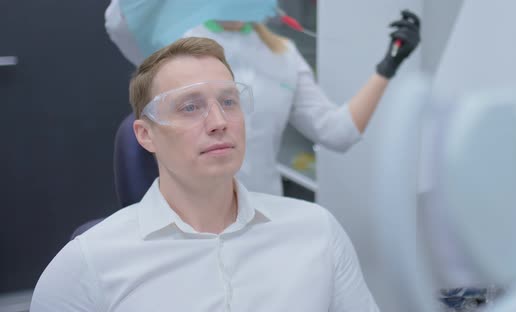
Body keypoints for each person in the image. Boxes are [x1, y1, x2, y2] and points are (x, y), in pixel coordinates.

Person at [30, 37, 380, 311]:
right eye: (190, 106)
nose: (219, 122)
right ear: (145, 135)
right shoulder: (87, 265)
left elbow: (336, 129)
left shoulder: (317, 232)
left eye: (229, 102)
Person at [105, 0, 421, 196]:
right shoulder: (173, 42)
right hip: (191, 219)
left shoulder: (283, 55)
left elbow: (337, 133)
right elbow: (118, 23)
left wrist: (388, 66)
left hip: (263, 217)